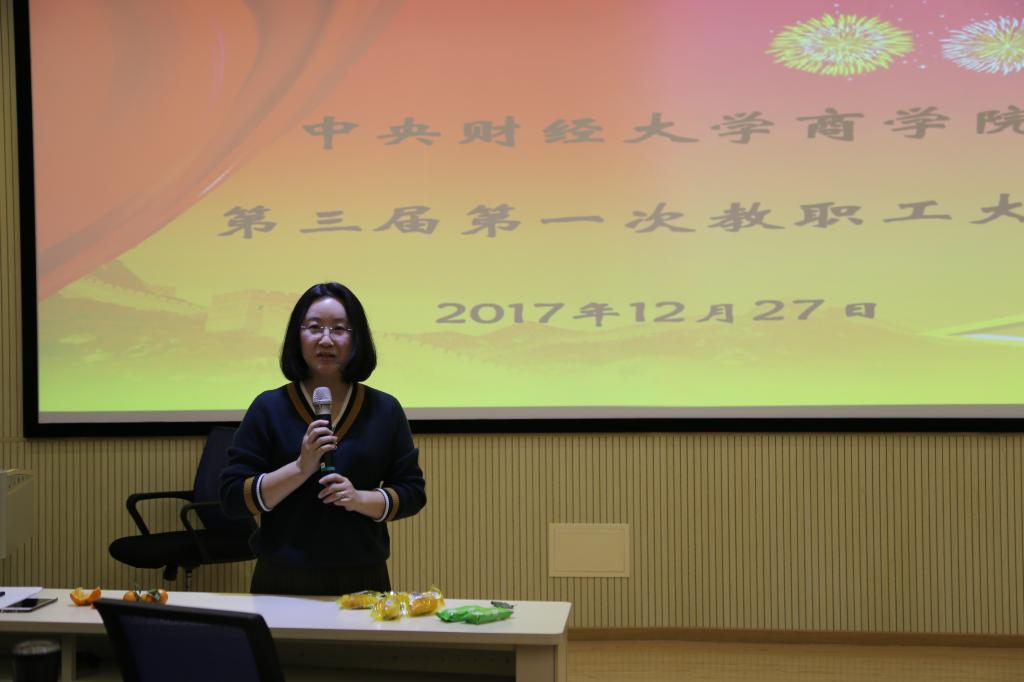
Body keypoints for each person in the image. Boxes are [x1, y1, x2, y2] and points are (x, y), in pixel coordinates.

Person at [220, 282, 426, 596]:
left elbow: (412, 492)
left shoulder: (385, 409)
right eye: (314, 327)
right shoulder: (268, 407)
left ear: (357, 339)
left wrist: (358, 499)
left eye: (339, 329)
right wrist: (300, 468)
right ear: (297, 336)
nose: (326, 339)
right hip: (281, 576)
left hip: (363, 576)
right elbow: (233, 498)